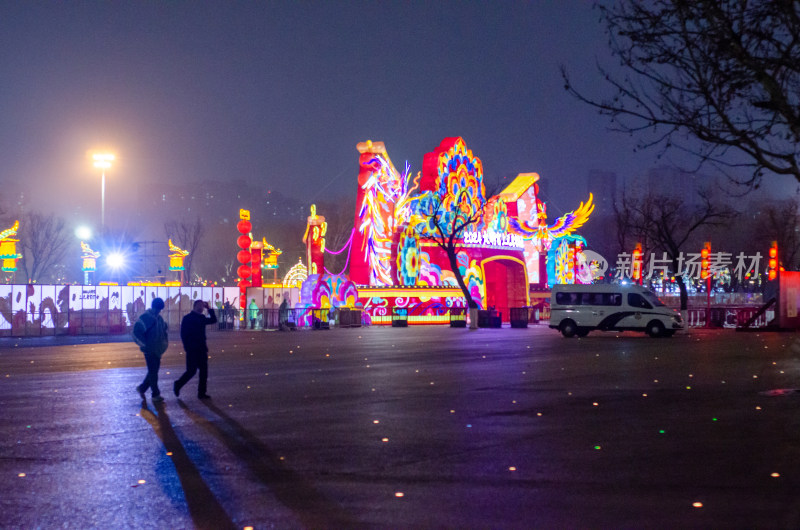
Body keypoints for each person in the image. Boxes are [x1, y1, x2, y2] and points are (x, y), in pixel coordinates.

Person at [174, 300, 217, 399]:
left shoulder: (201, 318)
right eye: (200, 305)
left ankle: (201, 393)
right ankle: (178, 384)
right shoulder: (187, 318)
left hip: (201, 348)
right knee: (191, 371)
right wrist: (187, 347)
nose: (201, 307)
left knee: (204, 371)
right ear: (194, 306)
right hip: (192, 349)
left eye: (202, 306)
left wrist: (209, 309)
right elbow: (183, 334)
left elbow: (213, 320)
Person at [133, 297, 169, 403]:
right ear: (154, 307)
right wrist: (145, 345)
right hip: (150, 350)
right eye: (158, 309)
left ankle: (143, 388)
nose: (159, 311)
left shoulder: (158, 318)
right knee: (153, 371)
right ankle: (155, 394)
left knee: (153, 371)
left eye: (160, 309)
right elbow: (136, 332)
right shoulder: (146, 318)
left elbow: (163, 330)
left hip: (156, 349)